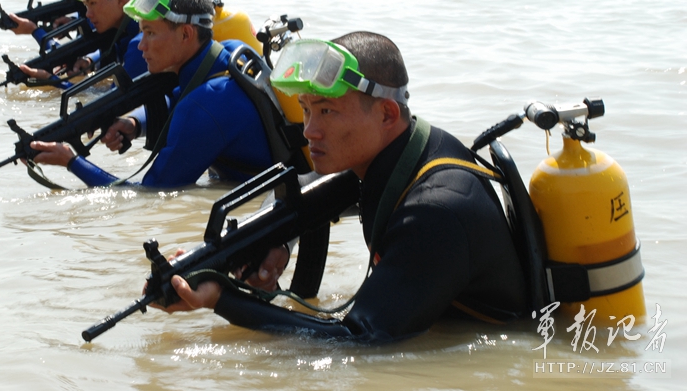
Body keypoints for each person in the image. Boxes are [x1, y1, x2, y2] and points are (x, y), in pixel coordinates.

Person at [154, 31, 527, 344]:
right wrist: (260, 245)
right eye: (305, 109)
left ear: (386, 114)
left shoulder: (436, 211)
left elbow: (358, 341)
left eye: (327, 111)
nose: (309, 130)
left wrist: (221, 299)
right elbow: (301, 197)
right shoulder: (400, 153)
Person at [28, 0, 274, 188]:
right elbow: (178, 95)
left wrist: (71, 162)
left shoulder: (202, 108)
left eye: (151, 33)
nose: (140, 45)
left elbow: (147, 195)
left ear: (186, 34)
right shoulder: (224, 54)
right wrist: (135, 124)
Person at [16, 0, 147, 87]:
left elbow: (109, 102)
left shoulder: (142, 44)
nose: (88, 14)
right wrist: (90, 61)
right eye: (86, 5)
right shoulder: (129, 13)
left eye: (93, 3)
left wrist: (53, 81)